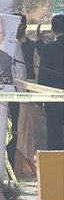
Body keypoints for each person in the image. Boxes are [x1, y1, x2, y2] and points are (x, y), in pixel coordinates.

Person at [39, 14, 64, 150]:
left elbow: (43, 76)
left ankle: (55, 161)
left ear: (52, 29)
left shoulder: (47, 49)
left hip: (53, 100)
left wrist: (40, 102)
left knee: (54, 135)